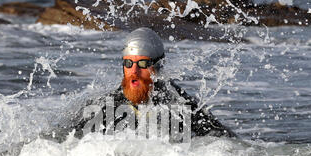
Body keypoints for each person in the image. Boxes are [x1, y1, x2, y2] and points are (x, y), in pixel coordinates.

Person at [53, 27, 236, 141]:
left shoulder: (181, 105)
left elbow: (224, 141)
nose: (134, 71)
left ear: (158, 66)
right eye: (128, 63)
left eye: (142, 64)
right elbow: (63, 142)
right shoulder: (104, 106)